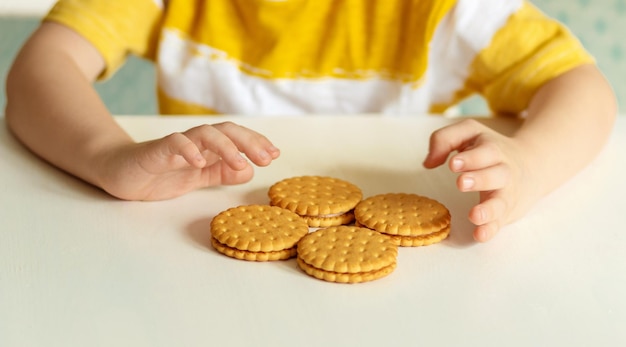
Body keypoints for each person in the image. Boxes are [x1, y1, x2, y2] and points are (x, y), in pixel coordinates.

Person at [4, 0, 616, 243]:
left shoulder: (446, 10)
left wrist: (530, 163)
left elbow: (583, 89)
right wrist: (108, 156)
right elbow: (41, 68)